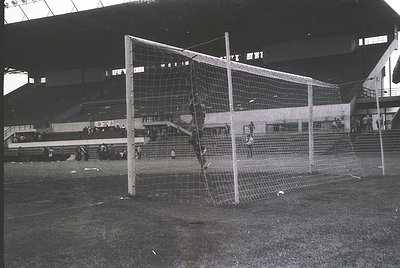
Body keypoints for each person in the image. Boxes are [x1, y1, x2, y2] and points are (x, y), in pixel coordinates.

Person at [189, 90, 208, 171]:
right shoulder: (195, 114)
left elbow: (198, 108)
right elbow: (191, 109)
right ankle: (202, 165)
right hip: (196, 130)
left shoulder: (200, 113)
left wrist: (194, 100)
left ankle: (203, 149)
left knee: (194, 142)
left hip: (198, 130)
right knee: (197, 151)